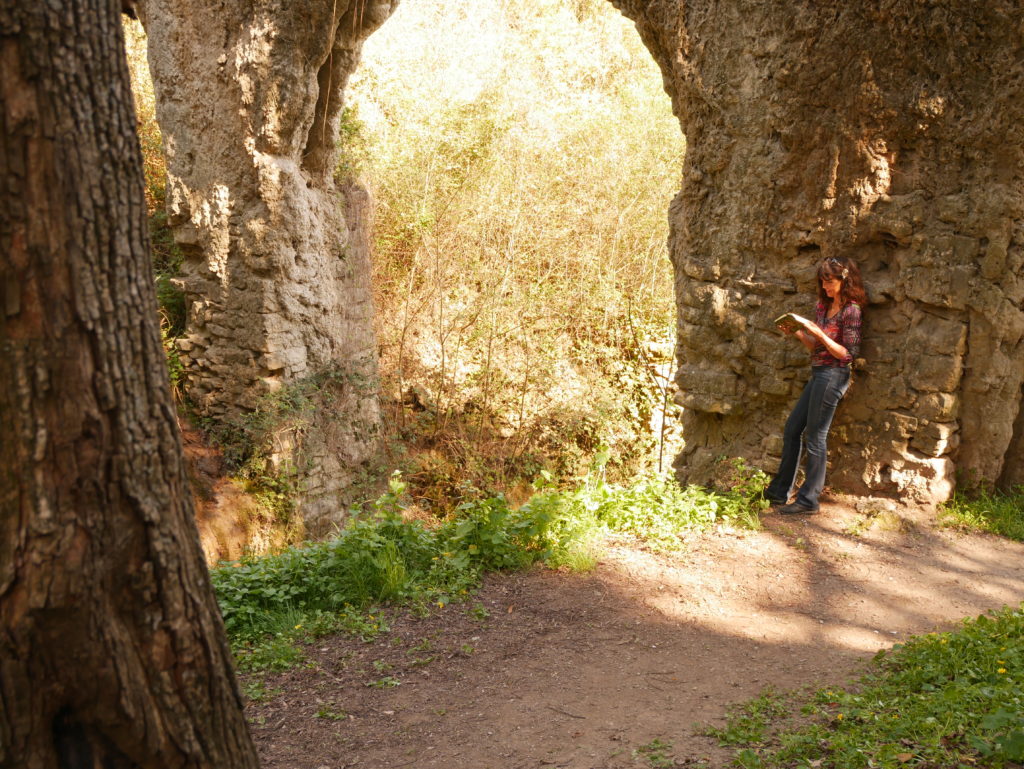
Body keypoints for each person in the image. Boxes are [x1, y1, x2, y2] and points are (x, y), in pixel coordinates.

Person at [765, 256, 866, 514]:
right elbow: (817, 347)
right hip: (818, 371)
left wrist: (819, 332)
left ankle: (808, 501)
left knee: (816, 437)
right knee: (792, 429)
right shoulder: (823, 307)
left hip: (834, 375)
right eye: (822, 283)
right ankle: (779, 493)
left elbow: (847, 355)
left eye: (830, 282)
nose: (825, 288)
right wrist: (799, 332)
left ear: (844, 279)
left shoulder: (851, 310)